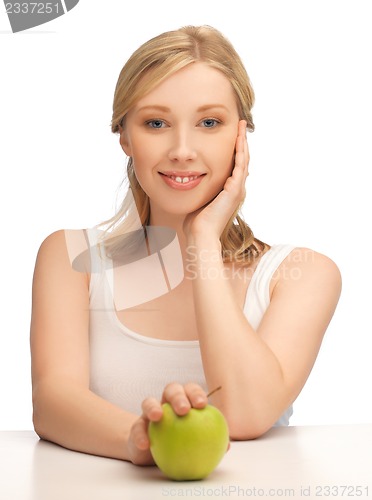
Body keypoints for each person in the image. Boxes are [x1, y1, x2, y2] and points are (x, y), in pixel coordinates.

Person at [30, 25, 342, 466]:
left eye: (209, 123)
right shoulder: (70, 258)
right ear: (125, 137)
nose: (181, 149)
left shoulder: (304, 274)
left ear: (241, 135)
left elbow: (247, 414)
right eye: (155, 123)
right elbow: (52, 402)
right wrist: (138, 439)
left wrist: (202, 240)